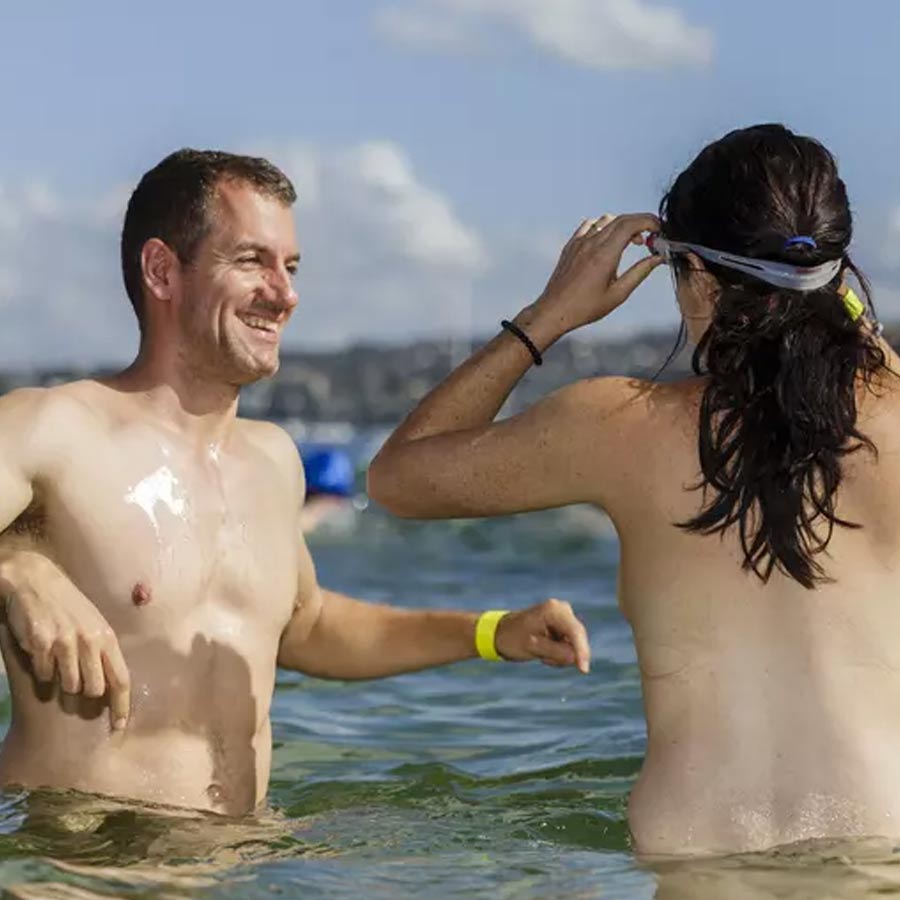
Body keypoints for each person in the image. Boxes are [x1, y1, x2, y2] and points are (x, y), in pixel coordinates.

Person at [0, 149, 591, 818]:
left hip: (237, 866)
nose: (285, 294)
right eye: (252, 261)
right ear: (162, 271)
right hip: (77, 866)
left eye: (292, 267)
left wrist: (490, 631)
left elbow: (305, 627)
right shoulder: (54, 429)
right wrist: (18, 574)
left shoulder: (272, 461)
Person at [368, 124, 900, 856]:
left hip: (697, 861)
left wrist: (548, 315)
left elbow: (399, 477)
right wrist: (854, 323)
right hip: (878, 857)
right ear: (837, 276)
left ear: (699, 278)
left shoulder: (618, 425)